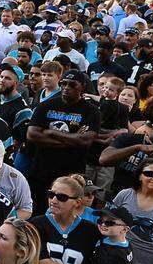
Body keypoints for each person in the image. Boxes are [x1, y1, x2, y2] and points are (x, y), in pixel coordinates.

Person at [25, 70, 101, 212]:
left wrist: (52, 132)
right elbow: (32, 135)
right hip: (42, 171)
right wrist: (73, 139)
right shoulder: (46, 105)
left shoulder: (91, 111)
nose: (66, 87)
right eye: (63, 84)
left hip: (72, 173)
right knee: (38, 212)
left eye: (72, 84)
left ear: (82, 87)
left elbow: (85, 141)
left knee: (65, 213)